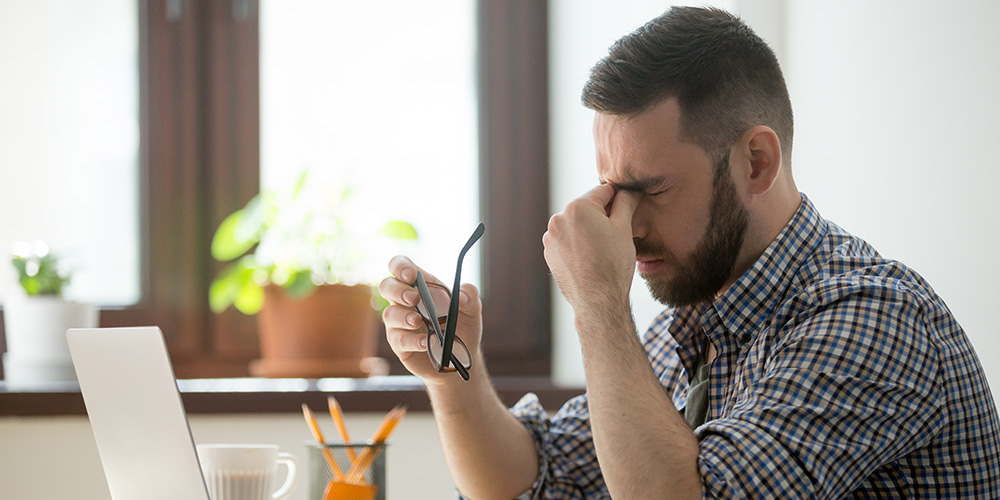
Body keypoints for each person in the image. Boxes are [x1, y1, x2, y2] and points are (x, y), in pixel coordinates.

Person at [380, 6, 1000, 499]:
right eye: (611, 191)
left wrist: (598, 301)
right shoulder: (696, 321)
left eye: (649, 189)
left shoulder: (872, 319)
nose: (623, 226)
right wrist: (451, 373)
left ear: (756, 162)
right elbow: (533, 478)